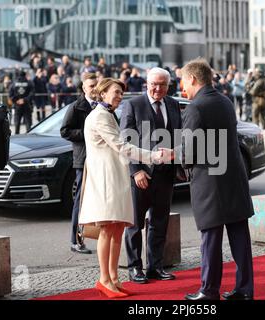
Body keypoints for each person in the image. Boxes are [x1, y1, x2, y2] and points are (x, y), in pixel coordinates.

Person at [79, 78, 174, 298]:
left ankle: (113, 278)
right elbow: (121, 146)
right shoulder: (99, 116)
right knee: (107, 230)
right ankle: (104, 279)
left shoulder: (107, 114)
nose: (120, 96)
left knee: (117, 229)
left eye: (122, 93)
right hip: (106, 180)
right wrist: (152, 156)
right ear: (102, 93)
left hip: (115, 178)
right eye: (116, 92)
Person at [180, 59, 255, 301]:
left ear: (193, 79)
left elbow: (189, 150)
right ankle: (244, 290)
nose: (183, 87)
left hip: (210, 184)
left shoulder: (195, 107)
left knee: (210, 239)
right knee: (240, 239)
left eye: (183, 81)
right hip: (234, 178)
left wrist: (181, 165)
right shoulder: (225, 101)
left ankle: (208, 290)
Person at [120, 68, 182, 284]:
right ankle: (134, 267)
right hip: (142, 175)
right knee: (135, 224)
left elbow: (179, 137)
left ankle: (155, 266)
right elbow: (125, 141)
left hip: (165, 175)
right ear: (146, 83)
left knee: (159, 222)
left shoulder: (173, 104)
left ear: (168, 85)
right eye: (154, 84)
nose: (157, 89)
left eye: (162, 85)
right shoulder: (133, 105)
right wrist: (136, 170)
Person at [60, 73, 98, 254]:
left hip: (100, 159)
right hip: (83, 160)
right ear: (84, 88)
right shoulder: (76, 107)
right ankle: (75, 240)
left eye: (96, 85)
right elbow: (65, 131)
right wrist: (87, 134)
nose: (95, 88)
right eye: (91, 86)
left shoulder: (102, 106)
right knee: (80, 201)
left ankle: (97, 237)